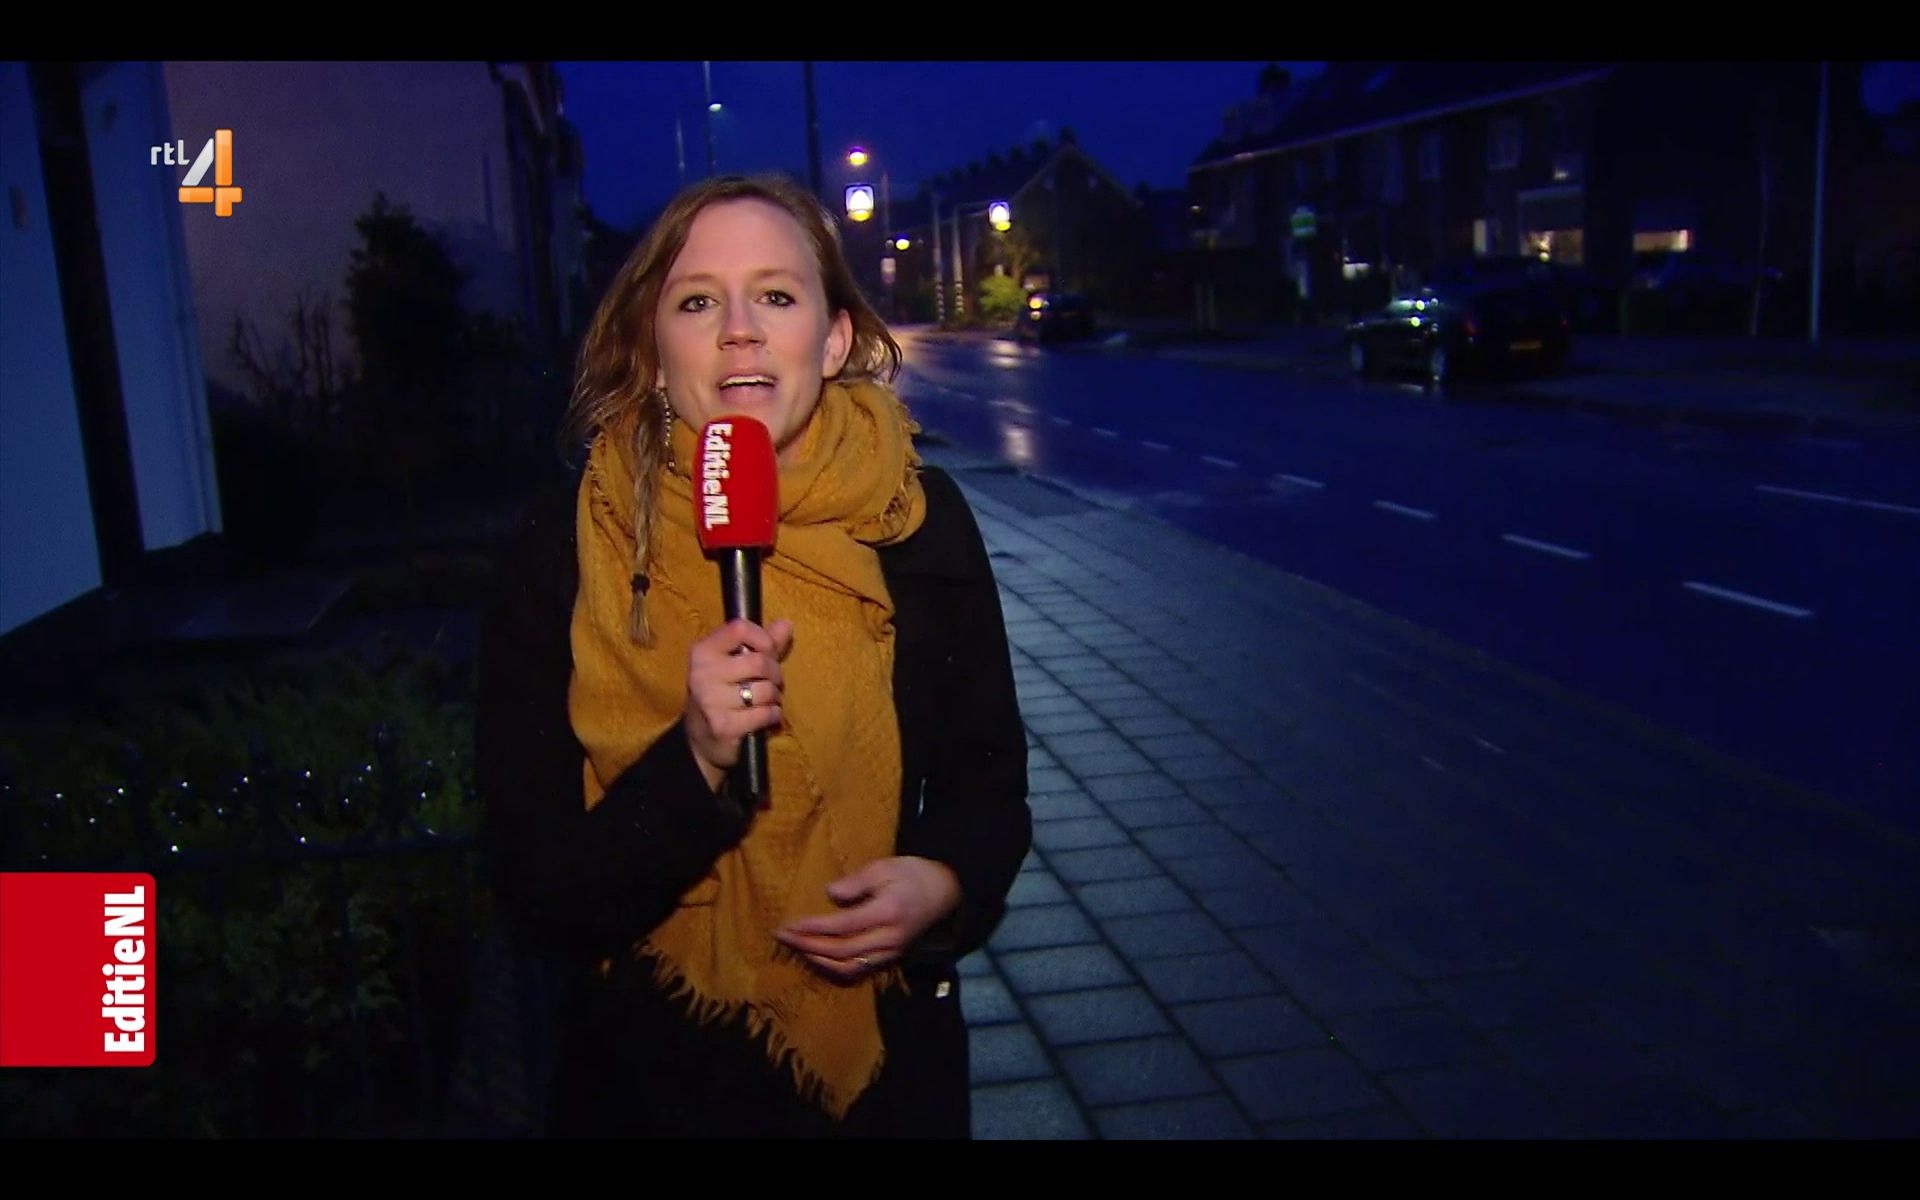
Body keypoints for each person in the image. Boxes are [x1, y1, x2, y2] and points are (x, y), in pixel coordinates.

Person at [476, 173, 1031, 1138]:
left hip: (886, 1089)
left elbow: (991, 786)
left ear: (834, 338)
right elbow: (539, 889)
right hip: (654, 1089)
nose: (740, 330)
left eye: (776, 295)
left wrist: (941, 884)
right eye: (698, 302)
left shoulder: (919, 520)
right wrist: (694, 763)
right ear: (653, 353)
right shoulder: (562, 548)